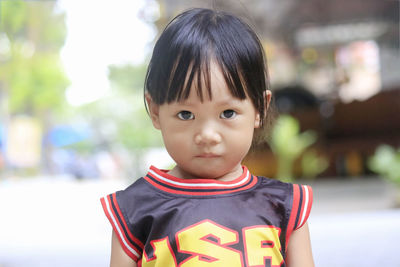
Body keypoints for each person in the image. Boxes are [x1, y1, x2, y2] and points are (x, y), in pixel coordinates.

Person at [101, 8, 314, 267]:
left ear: (259, 109)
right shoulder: (134, 210)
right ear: (155, 111)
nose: (207, 135)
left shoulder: (285, 207)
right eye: (186, 114)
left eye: (227, 112)